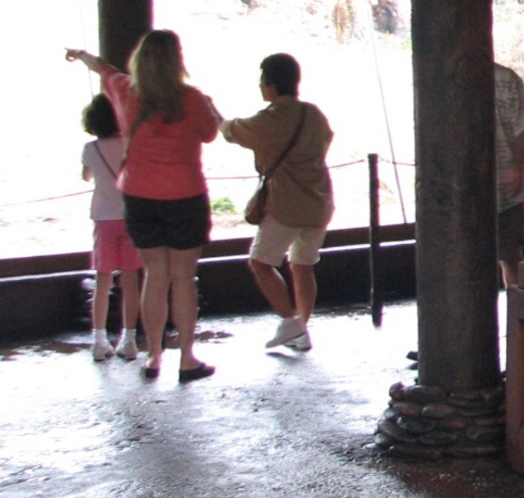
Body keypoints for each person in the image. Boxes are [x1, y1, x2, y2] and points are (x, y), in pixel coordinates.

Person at [66, 32, 220, 381]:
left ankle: (153, 357)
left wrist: (81, 54)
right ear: (176, 59)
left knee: (154, 275)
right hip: (186, 195)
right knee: (183, 278)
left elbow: (103, 68)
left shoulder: (125, 90)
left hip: (139, 197)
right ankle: (187, 359)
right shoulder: (192, 98)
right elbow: (210, 134)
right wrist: (210, 106)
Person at [219, 53, 334, 352]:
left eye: (262, 82)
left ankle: (290, 321)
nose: (260, 87)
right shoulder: (312, 113)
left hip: (285, 205)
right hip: (319, 202)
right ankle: (302, 330)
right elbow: (326, 139)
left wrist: (215, 115)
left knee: (260, 263)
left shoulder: (271, 119)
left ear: (271, 85)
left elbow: (232, 131)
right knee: (303, 266)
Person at [80, 93, 142, 362]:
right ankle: (129, 339)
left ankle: (99, 340)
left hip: (103, 218)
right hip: (130, 217)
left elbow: (86, 176)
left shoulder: (90, 149)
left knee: (103, 280)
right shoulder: (129, 145)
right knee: (130, 281)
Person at [493, 61, 524, 286]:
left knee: (509, 255)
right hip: (462, 190)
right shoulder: (443, 79)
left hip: (503, 187)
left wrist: (516, 166)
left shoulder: (506, 79)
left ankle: (518, 305)